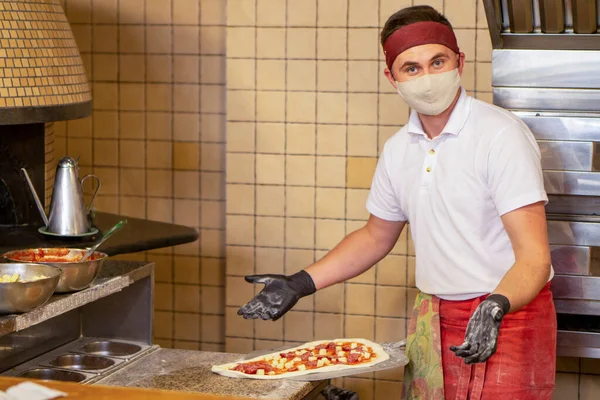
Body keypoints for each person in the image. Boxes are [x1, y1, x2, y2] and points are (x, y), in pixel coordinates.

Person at [237, 5, 556, 400]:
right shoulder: (397, 149)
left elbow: (534, 259)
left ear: (461, 62)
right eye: (412, 68)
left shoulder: (499, 136)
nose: (427, 78)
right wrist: (301, 283)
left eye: (437, 62)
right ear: (392, 77)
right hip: (434, 318)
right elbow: (375, 236)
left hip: (506, 318)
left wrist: (496, 306)